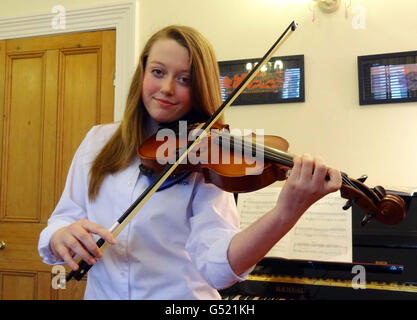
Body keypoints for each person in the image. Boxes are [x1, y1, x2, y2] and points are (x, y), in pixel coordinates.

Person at [38, 25, 342, 299]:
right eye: (158, 72)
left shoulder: (205, 158)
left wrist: (285, 213)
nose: (167, 88)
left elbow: (218, 269)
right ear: (142, 73)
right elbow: (62, 219)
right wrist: (59, 236)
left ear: (199, 89)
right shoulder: (98, 141)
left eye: (184, 79)